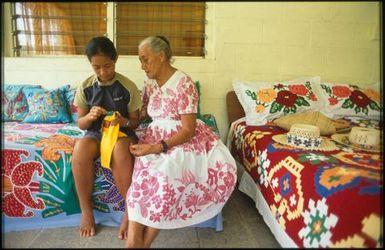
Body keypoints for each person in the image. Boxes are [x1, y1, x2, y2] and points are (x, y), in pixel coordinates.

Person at [125, 36, 237, 248]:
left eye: (145, 60)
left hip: (180, 139)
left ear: (161, 56)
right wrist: (124, 120)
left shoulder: (183, 83)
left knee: (166, 171)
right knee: (142, 171)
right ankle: (133, 240)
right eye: (140, 61)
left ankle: (141, 244)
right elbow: (142, 114)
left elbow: (188, 129)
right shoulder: (149, 83)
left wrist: (158, 147)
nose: (142, 66)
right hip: (153, 134)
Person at [72, 36, 142, 239]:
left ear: (116, 60)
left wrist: (124, 121)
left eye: (107, 66)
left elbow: (135, 122)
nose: (103, 72)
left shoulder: (127, 86)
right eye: (97, 67)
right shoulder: (85, 86)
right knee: (80, 149)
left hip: (122, 133)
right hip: (95, 133)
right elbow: (80, 123)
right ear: (90, 65)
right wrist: (90, 116)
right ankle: (87, 213)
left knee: (120, 149)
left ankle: (130, 213)